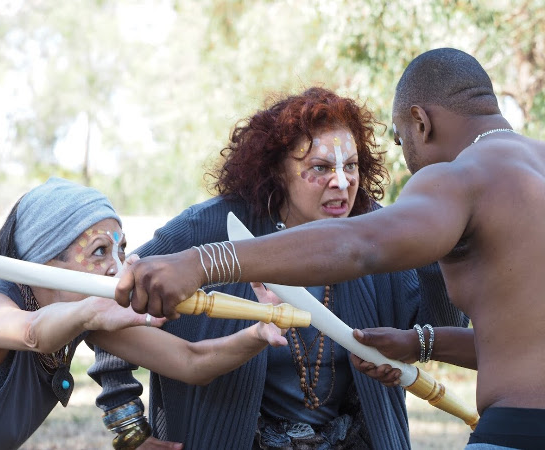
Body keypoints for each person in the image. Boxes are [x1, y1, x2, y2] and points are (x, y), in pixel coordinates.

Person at [116, 49, 545, 450]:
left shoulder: (399, 216)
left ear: (421, 123)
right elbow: (106, 304)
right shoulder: (207, 225)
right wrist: (126, 422)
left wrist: (209, 262)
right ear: (276, 171)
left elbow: (360, 250)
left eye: (351, 166)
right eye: (320, 167)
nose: (341, 182)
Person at [0, 177, 287, 450]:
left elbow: (191, 362)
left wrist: (258, 333)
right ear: (44, 260)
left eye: (121, 250)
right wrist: (91, 313)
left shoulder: (81, 315)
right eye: (100, 251)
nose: (118, 268)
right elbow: (33, 332)